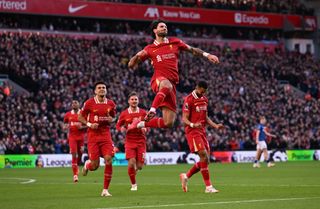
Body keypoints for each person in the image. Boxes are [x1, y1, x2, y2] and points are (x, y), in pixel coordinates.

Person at [128, 19, 219, 131]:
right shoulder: (149, 49)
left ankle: (139, 124)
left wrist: (207, 55)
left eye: (165, 26)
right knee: (167, 85)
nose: (164, 28)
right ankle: (152, 109)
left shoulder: (175, 42)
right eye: (161, 26)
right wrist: (136, 57)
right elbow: (131, 64)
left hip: (172, 84)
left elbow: (192, 50)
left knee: (168, 122)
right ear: (155, 30)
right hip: (159, 79)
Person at [179, 81, 223, 193]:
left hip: (202, 131)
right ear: (197, 87)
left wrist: (216, 126)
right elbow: (184, 119)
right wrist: (193, 124)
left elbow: (206, 117)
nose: (203, 93)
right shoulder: (189, 99)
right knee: (203, 155)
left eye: (205, 92)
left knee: (206, 160)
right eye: (202, 91)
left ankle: (186, 176)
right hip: (193, 131)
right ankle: (208, 187)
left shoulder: (204, 99)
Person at [78, 82, 116, 197]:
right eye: (99, 88)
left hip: (105, 135)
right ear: (95, 91)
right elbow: (80, 117)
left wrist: (112, 119)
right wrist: (89, 124)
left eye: (104, 87)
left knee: (108, 159)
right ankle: (87, 165)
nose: (102, 89)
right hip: (93, 136)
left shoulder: (111, 103)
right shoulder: (89, 103)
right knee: (95, 166)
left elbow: (113, 117)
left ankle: (105, 190)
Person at [116, 91, 147, 191]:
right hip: (129, 141)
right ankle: (134, 185)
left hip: (141, 141)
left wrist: (145, 128)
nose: (134, 101)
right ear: (129, 101)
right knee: (131, 162)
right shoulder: (124, 113)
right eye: (132, 99)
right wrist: (122, 129)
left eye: (136, 99)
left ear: (138, 101)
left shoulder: (143, 112)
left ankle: (133, 172)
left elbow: (148, 124)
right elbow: (118, 125)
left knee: (140, 166)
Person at [63, 100, 86, 182]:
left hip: (81, 137)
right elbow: (65, 123)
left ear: (79, 105)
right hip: (72, 137)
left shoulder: (83, 113)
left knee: (80, 153)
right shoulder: (68, 115)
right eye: (72, 103)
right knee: (74, 154)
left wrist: (82, 127)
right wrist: (65, 127)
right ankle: (75, 175)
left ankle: (77, 164)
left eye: (75, 103)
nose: (74, 104)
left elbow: (88, 124)